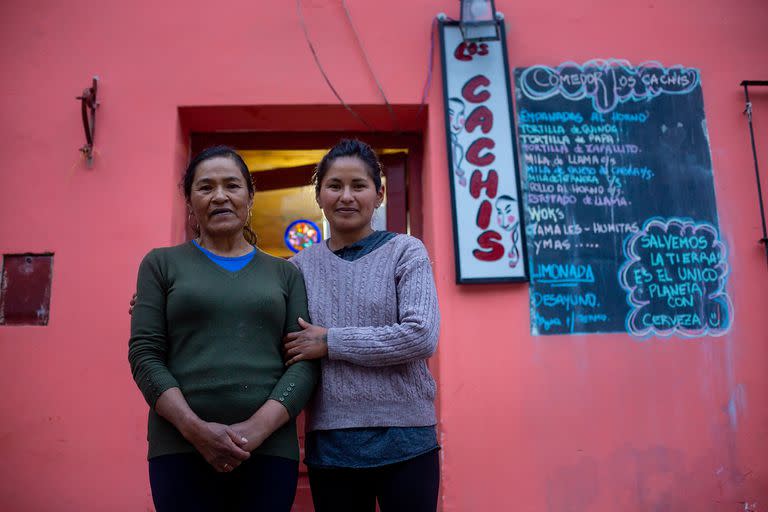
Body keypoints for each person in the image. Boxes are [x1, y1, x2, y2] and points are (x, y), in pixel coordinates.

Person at [128, 146, 318, 512]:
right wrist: (195, 429)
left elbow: (303, 362)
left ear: (250, 195)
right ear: (189, 200)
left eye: (231, 185)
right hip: (180, 446)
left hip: (268, 451)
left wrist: (255, 431)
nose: (219, 196)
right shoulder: (161, 265)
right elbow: (144, 354)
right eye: (205, 187)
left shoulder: (285, 273)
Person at [283, 139, 441, 512]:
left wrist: (330, 342)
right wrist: (167, 307)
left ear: (379, 194)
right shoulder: (297, 268)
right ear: (319, 194)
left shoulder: (406, 251)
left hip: (408, 441)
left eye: (359, 185)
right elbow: (264, 327)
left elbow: (420, 335)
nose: (346, 196)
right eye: (334, 185)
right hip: (332, 446)